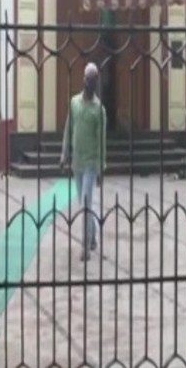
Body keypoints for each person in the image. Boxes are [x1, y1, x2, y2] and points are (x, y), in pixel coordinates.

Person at [60, 62, 107, 262]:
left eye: (95, 79)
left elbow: (102, 140)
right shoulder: (74, 103)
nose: (92, 83)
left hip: (91, 163)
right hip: (77, 162)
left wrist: (102, 168)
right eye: (89, 79)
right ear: (84, 80)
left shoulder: (99, 110)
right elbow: (68, 129)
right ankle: (94, 234)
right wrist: (64, 154)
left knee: (86, 202)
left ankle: (86, 246)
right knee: (84, 203)